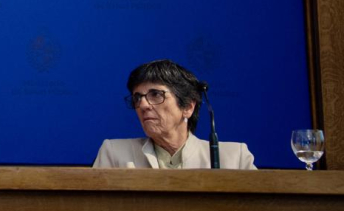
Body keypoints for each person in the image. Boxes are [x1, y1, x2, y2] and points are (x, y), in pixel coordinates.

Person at [93, 59, 255, 169]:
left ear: (188, 107)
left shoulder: (234, 159)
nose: (142, 105)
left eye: (155, 94)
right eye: (137, 97)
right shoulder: (114, 154)